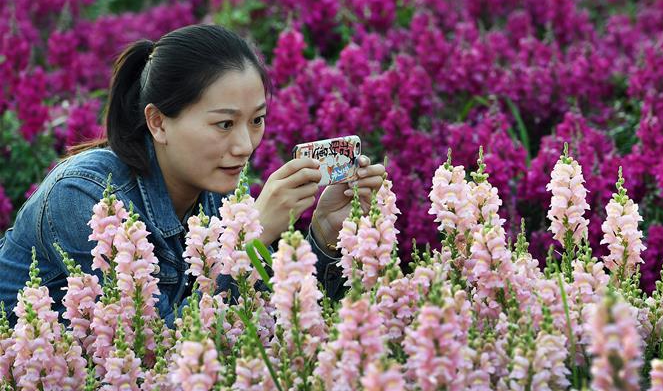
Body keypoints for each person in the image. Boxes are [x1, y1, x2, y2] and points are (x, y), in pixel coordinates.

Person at [0, 24, 385, 327]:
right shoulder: (86, 197)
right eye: (224, 124)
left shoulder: (219, 194)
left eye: (257, 120)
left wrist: (324, 234)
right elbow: (147, 350)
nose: (245, 145)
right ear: (158, 122)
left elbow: (279, 322)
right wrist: (248, 240)